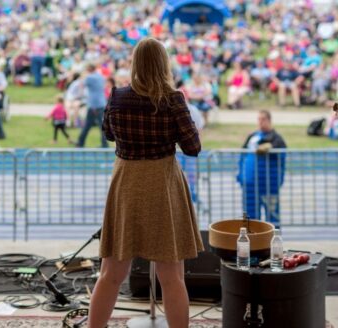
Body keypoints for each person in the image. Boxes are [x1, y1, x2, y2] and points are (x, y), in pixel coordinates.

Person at [88, 38, 203, 328]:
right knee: (172, 277)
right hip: (162, 186)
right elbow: (193, 147)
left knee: (110, 274)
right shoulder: (173, 99)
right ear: (164, 64)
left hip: (126, 184)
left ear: (135, 64)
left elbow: (108, 134)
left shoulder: (117, 96)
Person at [236, 110, 286, 228]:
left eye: (263, 119)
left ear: (269, 120)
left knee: (273, 218)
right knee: (249, 218)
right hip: (250, 185)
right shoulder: (252, 136)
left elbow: (282, 158)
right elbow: (242, 156)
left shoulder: (276, 138)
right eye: (259, 119)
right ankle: (253, 243)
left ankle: (273, 242)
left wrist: (270, 147)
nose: (260, 122)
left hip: (269, 186)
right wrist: (240, 176)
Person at [76, 64, 107, 148]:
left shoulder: (89, 78)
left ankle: (80, 143)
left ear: (89, 69)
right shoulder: (101, 76)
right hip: (102, 103)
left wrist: (83, 75)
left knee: (87, 125)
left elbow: (81, 85)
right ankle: (104, 144)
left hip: (94, 105)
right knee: (102, 126)